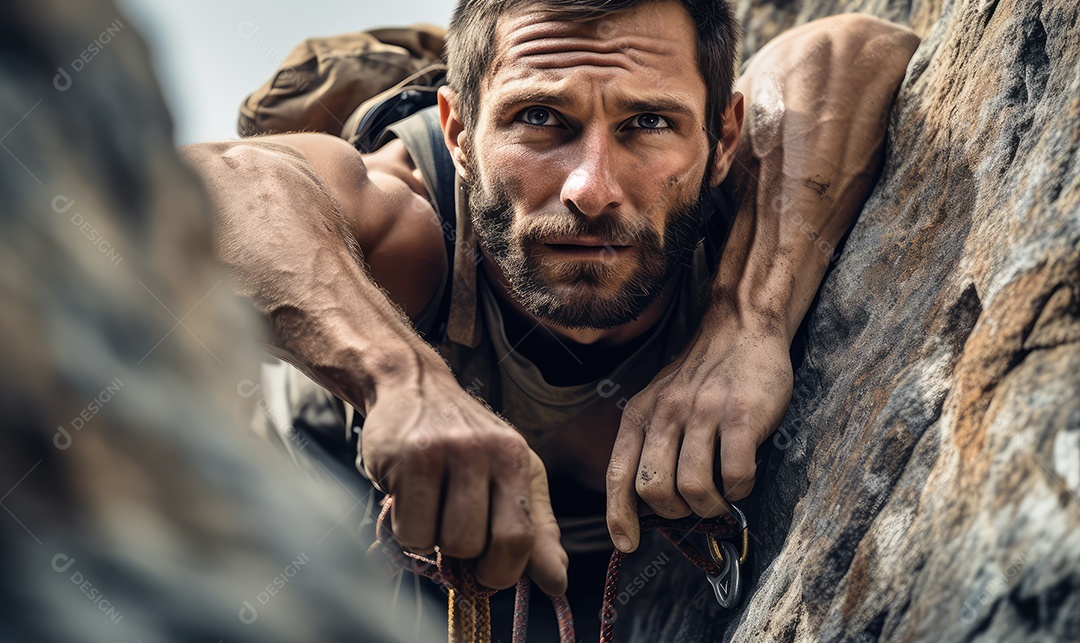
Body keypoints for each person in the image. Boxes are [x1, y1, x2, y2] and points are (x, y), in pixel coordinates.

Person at [184, 0, 919, 636]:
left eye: (650, 121)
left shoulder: (727, 212)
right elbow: (210, 186)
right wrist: (399, 379)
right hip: (332, 509)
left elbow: (849, 48)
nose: (591, 188)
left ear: (726, 138)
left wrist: (747, 322)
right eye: (540, 118)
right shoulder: (416, 236)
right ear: (458, 133)